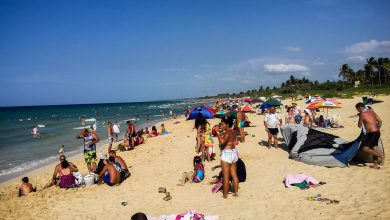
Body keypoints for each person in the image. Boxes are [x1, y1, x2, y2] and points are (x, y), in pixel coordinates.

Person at [215, 116, 239, 198]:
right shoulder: (232, 131)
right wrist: (222, 133)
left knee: (226, 176)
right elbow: (235, 142)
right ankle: (235, 192)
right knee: (234, 174)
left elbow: (222, 142)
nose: (221, 126)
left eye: (222, 124)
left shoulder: (228, 132)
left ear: (227, 124)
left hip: (227, 154)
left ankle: (225, 195)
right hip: (234, 152)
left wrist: (218, 133)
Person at [355, 102, 384, 169]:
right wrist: (377, 128)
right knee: (374, 149)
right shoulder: (372, 112)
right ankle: (375, 166)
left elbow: (359, 125)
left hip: (372, 133)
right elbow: (380, 121)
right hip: (377, 132)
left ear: (360, 107)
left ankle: (381, 156)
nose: (358, 111)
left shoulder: (362, 114)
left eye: (357, 109)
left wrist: (360, 117)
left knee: (365, 149)